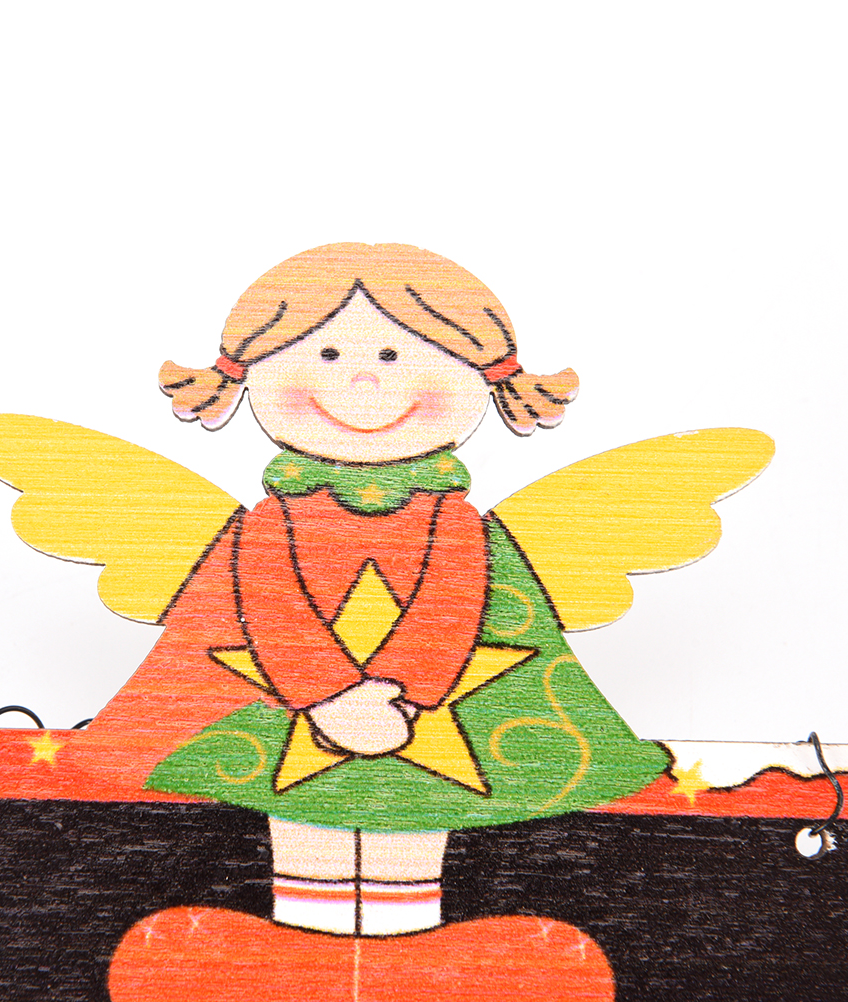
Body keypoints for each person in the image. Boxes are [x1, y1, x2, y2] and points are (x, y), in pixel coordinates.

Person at [106, 242, 667, 942]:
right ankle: (304, 951)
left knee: (412, 825)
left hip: (427, 717)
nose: (364, 378)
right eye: (328, 355)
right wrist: (327, 695)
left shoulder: (454, 523)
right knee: (305, 831)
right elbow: (271, 607)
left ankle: (409, 950)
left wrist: (401, 693)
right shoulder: (272, 522)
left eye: (394, 355)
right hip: (290, 713)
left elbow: (452, 608)